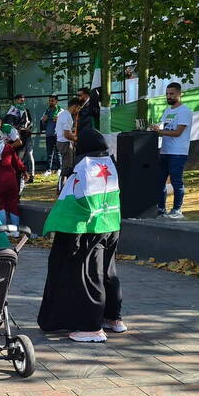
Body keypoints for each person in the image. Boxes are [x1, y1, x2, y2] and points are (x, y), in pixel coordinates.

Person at [37, 126, 124, 342]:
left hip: (86, 229)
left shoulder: (83, 167)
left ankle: (90, 327)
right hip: (110, 223)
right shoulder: (109, 163)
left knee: (89, 275)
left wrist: (71, 239)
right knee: (107, 272)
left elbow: (74, 203)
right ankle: (112, 318)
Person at [152, 82, 193, 219]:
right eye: (167, 94)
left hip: (178, 152)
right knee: (159, 181)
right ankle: (161, 209)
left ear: (179, 94)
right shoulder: (167, 111)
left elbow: (177, 132)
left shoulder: (185, 111)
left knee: (176, 181)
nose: (169, 96)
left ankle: (177, 209)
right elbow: (163, 126)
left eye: (172, 94)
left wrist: (160, 131)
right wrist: (155, 128)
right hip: (165, 150)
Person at [56, 98, 81, 187]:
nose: (78, 111)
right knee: (67, 167)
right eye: (78, 108)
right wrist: (77, 139)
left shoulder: (62, 114)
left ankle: (63, 187)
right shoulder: (67, 116)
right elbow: (67, 134)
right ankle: (61, 188)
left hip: (61, 142)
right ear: (74, 106)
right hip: (65, 143)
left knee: (67, 166)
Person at [10, 95, 36, 178]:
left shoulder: (26, 110)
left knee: (30, 154)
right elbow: (10, 123)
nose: (22, 102)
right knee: (20, 156)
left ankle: (32, 175)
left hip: (27, 136)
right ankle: (19, 174)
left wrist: (28, 127)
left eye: (23, 101)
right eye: (21, 100)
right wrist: (17, 129)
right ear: (16, 100)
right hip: (19, 137)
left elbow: (31, 122)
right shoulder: (12, 111)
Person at [41, 95, 62, 175]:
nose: (50, 102)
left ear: (56, 102)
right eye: (49, 101)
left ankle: (59, 168)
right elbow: (42, 123)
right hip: (49, 135)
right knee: (49, 153)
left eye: (52, 101)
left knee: (58, 153)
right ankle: (48, 170)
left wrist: (59, 119)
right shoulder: (47, 111)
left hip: (57, 135)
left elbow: (64, 122)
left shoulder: (60, 111)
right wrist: (43, 120)